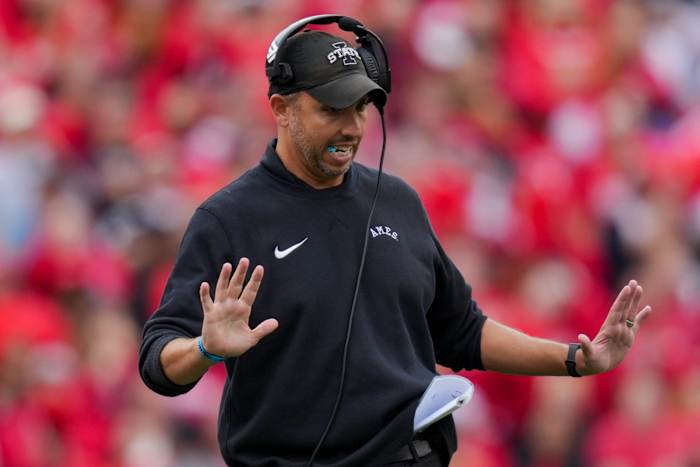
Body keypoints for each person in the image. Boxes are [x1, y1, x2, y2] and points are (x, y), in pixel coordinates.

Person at [138, 20, 652, 467]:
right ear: (281, 108)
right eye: (332, 110)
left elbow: (462, 330)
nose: (353, 127)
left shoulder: (397, 200)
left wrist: (574, 360)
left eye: (363, 107)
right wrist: (205, 348)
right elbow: (158, 363)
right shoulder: (228, 219)